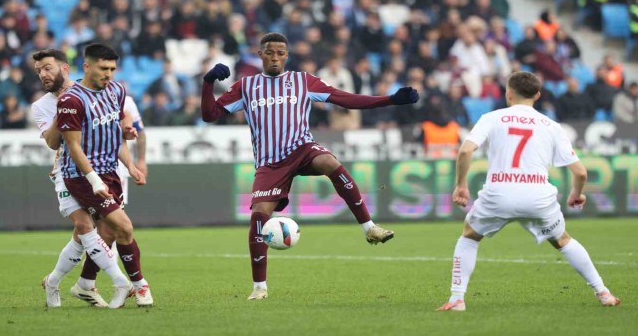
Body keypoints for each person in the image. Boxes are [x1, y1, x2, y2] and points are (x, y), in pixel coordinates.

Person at [201, 32, 420, 300]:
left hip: (302, 149)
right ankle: (259, 288)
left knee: (329, 161)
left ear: (287, 56)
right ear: (260, 55)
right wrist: (208, 82)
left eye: (280, 53)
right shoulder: (246, 86)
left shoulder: (303, 81)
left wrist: (390, 100)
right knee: (259, 219)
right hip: (270, 164)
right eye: (269, 52)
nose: (275, 58)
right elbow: (209, 115)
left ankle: (369, 228)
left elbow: (345, 98)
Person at [437, 72, 621, 311]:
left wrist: (461, 184)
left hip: (499, 194)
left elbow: (465, 151)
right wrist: (577, 194)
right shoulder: (552, 126)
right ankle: (603, 292)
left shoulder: (492, 118)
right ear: (538, 95)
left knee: (469, 237)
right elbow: (581, 173)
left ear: (508, 93)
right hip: (538, 197)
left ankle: (457, 299)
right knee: (563, 240)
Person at [31, 48, 147, 308]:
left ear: (64, 68)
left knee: (98, 232)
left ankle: (60, 281)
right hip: (67, 172)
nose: (43, 75)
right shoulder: (42, 106)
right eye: (38, 71)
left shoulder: (94, 90)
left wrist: (129, 157)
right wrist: (63, 111)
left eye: (47, 68)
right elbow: (53, 143)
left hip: (102, 170)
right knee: (85, 226)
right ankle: (121, 282)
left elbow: (116, 125)